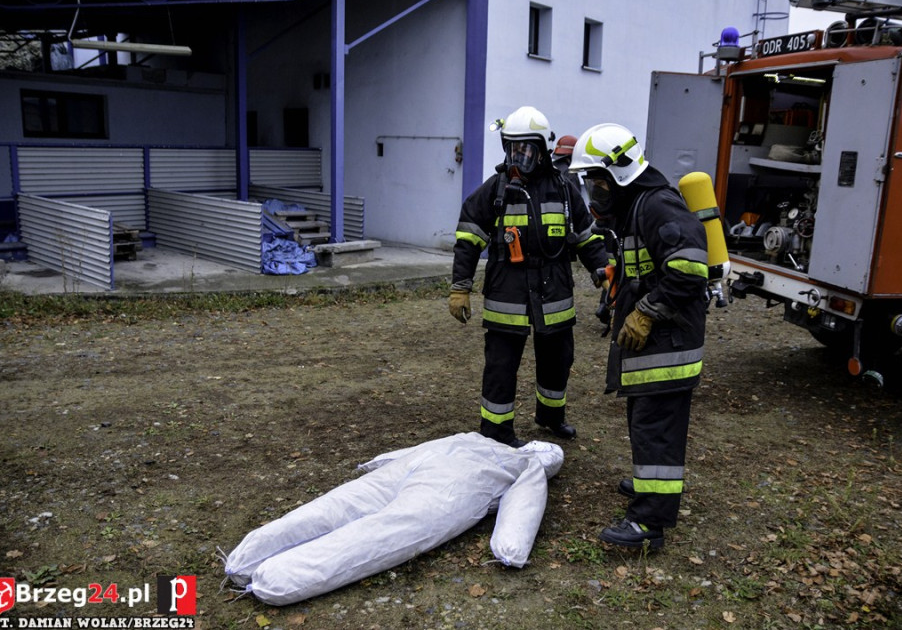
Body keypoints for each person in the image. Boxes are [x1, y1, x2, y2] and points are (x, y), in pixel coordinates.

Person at [567, 123, 709, 549]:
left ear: (620, 173)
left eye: (598, 182)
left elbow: (689, 269)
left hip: (670, 344)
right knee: (645, 421)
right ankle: (650, 486)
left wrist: (645, 311)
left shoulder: (657, 205)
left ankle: (650, 524)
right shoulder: (635, 207)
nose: (595, 192)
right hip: (656, 348)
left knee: (657, 426)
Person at [223, 433, 564, 606]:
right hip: (448, 490)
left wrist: (382, 461)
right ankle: (275, 577)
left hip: (413, 469)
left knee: (339, 506)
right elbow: (525, 504)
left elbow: (427, 445)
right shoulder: (525, 466)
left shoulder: (475, 439)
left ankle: (247, 559)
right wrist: (510, 549)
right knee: (382, 532)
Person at [449, 107, 610, 447]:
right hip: (507, 295)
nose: (517, 157)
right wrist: (460, 288)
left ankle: (551, 417)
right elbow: (468, 239)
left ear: (541, 151)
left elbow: (586, 237)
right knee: (500, 368)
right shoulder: (495, 190)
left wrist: (602, 270)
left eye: (525, 149)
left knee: (558, 361)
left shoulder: (564, 191)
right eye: (512, 148)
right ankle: (496, 432)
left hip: (554, 296)